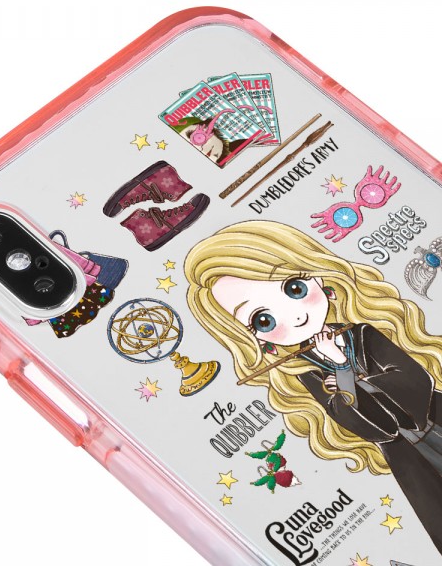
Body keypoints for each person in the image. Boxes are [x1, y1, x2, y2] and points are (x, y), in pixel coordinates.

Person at [184, 219, 442, 554]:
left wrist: (346, 370)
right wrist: (342, 370)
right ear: (256, 340)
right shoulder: (306, 374)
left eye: (294, 289)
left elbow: (415, 382)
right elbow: (368, 426)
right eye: (264, 320)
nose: (294, 317)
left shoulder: (362, 332)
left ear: (318, 278)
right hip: (412, 458)